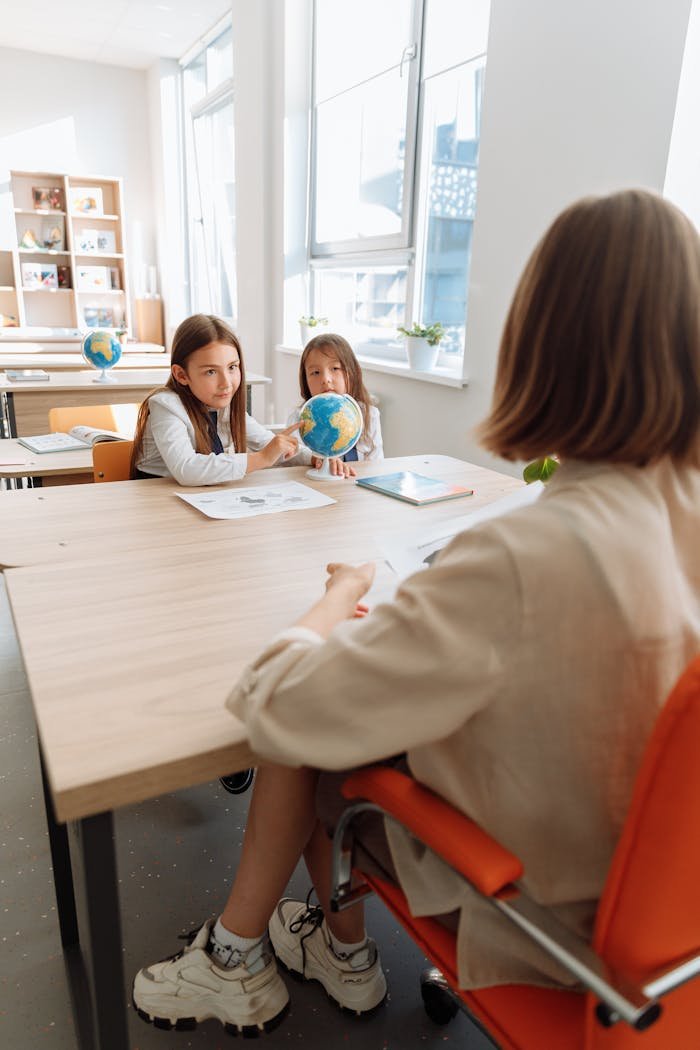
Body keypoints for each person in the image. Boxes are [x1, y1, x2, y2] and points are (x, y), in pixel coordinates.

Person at [132, 189, 700, 1036]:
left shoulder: (523, 556)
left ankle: (243, 958)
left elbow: (275, 705)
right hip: (665, 924)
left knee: (316, 724)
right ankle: (329, 946)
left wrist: (335, 598)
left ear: (538, 346)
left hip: (545, 921)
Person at [130, 313, 300, 484]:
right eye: (211, 371)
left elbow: (269, 445)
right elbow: (186, 469)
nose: (226, 383)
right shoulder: (166, 406)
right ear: (181, 375)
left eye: (232, 367)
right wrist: (261, 458)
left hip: (202, 497)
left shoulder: (223, 405)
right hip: (156, 500)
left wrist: (315, 457)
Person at [289, 332, 384, 477]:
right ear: (305, 381)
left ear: (352, 372)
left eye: (335, 369)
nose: (326, 379)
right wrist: (317, 459)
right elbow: (294, 458)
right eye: (315, 372)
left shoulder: (369, 415)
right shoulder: (300, 418)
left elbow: (376, 466)